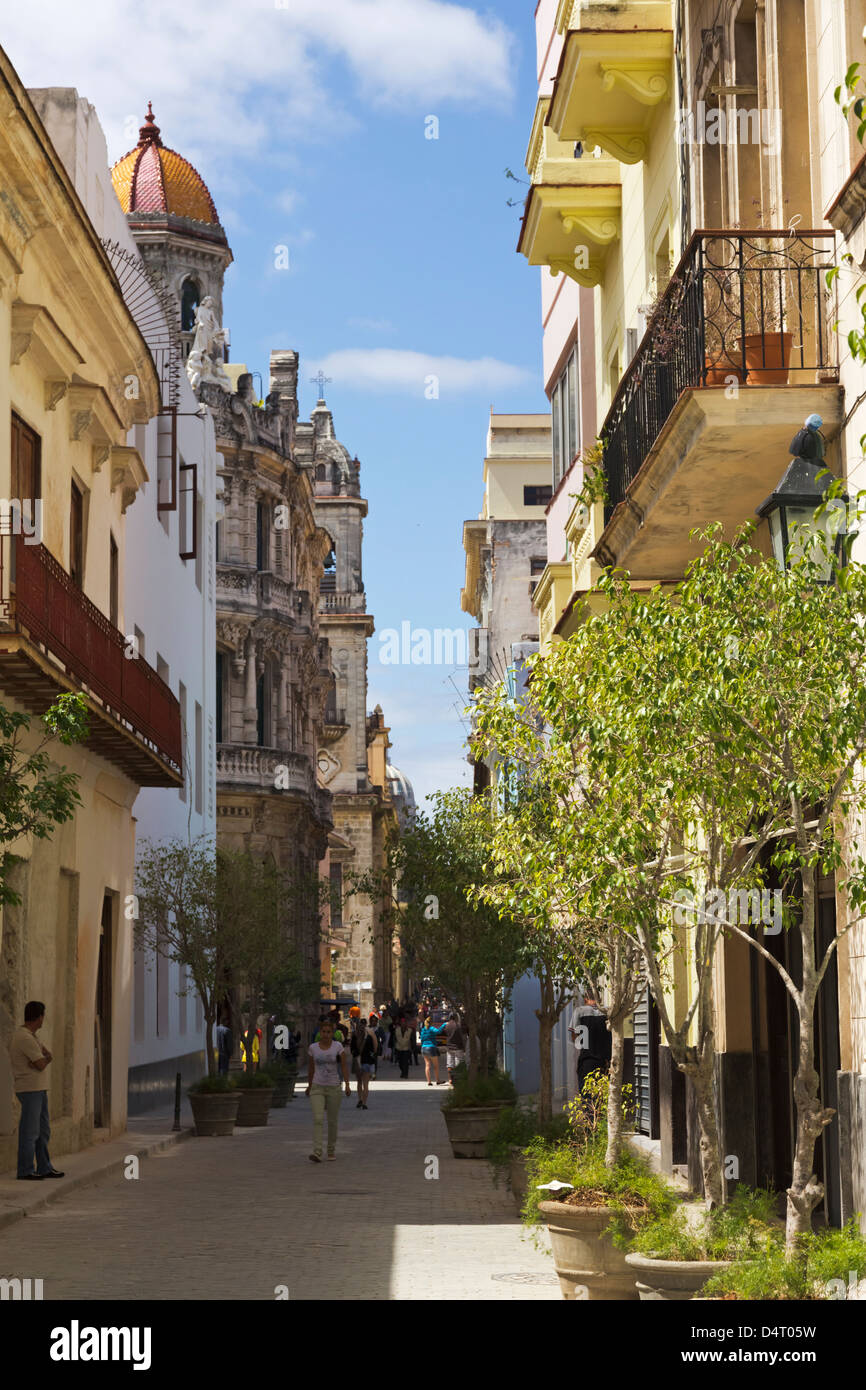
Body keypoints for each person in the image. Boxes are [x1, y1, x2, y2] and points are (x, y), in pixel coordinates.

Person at [10, 1001, 64, 1181]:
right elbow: (41, 1063)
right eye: (43, 1016)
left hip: (38, 1088)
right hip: (29, 1088)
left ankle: (44, 1167)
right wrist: (45, 1058)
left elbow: (43, 1058)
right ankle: (25, 1170)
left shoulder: (32, 1036)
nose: (43, 1020)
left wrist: (43, 1058)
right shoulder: (24, 1037)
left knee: (42, 1130)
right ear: (39, 1017)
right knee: (30, 1131)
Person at [305, 1017, 351, 1161]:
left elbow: (343, 1066)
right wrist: (309, 1085)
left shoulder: (338, 1047)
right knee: (318, 1119)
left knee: (332, 1121)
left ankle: (331, 1150)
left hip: (333, 1087)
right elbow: (311, 1068)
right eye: (323, 1032)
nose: (326, 1034)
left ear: (332, 1033)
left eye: (328, 1032)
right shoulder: (313, 1048)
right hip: (317, 1086)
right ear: (320, 1033)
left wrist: (348, 1084)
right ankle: (317, 1151)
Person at [569, 991, 611, 1096]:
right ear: (599, 997)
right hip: (605, 1061)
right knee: (602, 1096)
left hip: (587, 1060)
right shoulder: (607, 1011)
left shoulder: (579, 1011)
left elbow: (575, 1039)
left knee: (587, 1096)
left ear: (585, 999)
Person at [351, 1019, 377, 1109]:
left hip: (357, 1061)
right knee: (366, 1084)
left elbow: (352, 1050)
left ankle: (360, 1099)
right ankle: (364, 1103)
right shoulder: (370, 1034)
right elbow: (375, 1047)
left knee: (359, 1082)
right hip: (367, 1061)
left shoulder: (354, 1036)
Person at [419, 1018, 447, 1086]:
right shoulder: (431, 1028)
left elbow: (421, 1039)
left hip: (424, 1048)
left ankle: (429, 1081)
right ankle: (438, 1080)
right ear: (431, 1023)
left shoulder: (423, 1030)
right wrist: (444, 1024)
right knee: (435, 1066)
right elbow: (438, 1031)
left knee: (427, 1065)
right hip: (431, 1048)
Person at [443, 1012, 466, 1085]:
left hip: (449, 1047)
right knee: (458, 1064)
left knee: (450, 1064)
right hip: (458, 1047)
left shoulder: (447, 1026)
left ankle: (450, 1079)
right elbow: (461, 1037)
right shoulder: (458, 1026)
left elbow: (445, 1034)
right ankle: (458, 1079)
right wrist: (463, 1046)